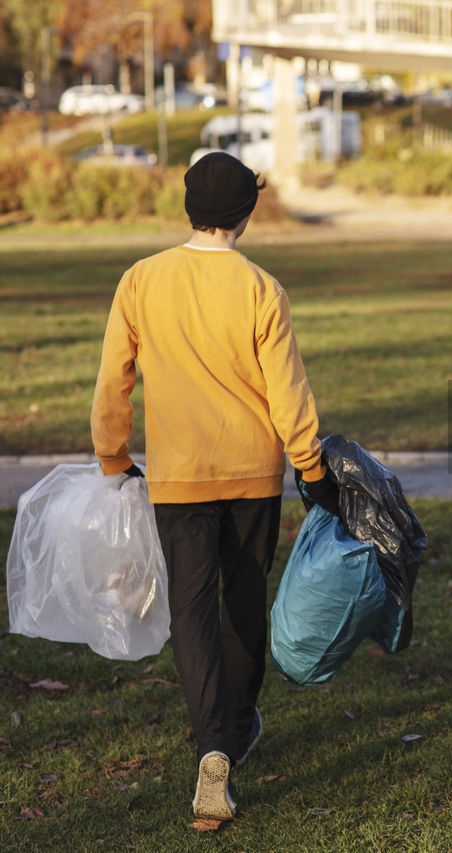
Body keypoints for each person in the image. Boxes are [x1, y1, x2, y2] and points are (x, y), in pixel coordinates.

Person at [91, 152, 340, 821]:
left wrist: (113, 456)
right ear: (247, 212)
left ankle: (213, 747)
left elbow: (114, 379)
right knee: (245, 599)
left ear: (188, 206)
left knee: (192, 611)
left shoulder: (141, 279)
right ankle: (234, 724)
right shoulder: (263, 289)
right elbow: (289, 397)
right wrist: (312, 471)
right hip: (254, 475)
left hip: (178, 478)